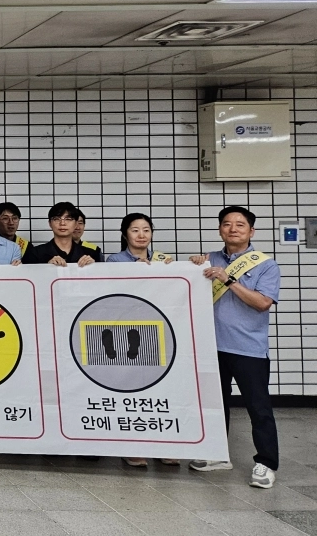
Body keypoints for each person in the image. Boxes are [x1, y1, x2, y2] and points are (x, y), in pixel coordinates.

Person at [187, 206, 281, 489]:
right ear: (220, 230)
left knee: (258, 407)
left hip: (248, 348)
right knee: (215, 404)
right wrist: (193, 266)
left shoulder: (265, 265)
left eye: (240, 224)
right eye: (227, 224)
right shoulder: (209, 259)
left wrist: (227, 279)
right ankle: (217, 455)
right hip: (211, 346)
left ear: (251, 231)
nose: (233, 229)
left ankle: (266, 463)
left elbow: (263, 303)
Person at [107, 213, 176, 468]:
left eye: (146, 230)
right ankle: (132, 446)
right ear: (125, 234)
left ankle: (163, 444)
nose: (141, 235)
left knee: (159, 388)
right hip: (125, 331)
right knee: (129, 387)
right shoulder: (114, 261)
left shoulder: (163, 261)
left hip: (156, 330)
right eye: (135, 230)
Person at [22, 202, 97, 267]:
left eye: (68, 219)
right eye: (57, 219)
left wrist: (94, 266)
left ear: (76, 224)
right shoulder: (34, 254)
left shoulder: (90, 254)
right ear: (50, 223)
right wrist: (46, 268)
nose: (62, 223)